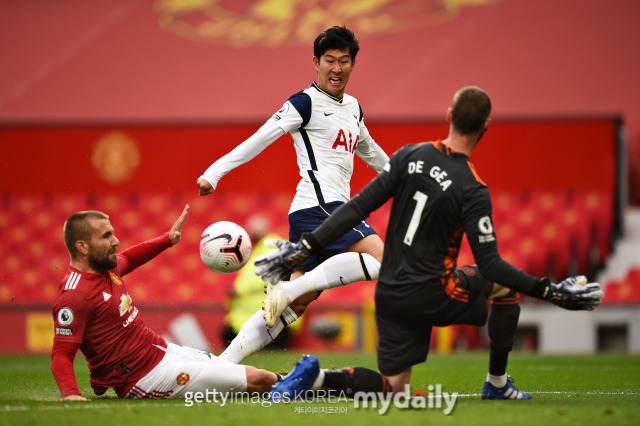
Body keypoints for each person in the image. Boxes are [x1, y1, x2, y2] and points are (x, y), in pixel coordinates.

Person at [256, 86, 604, 400]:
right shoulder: (473, 188)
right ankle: (497, 384)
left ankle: (318, 379)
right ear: (486, 127)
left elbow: (357, 207)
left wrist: (304, 248)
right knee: (503, 288)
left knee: (393, 388)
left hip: (391, 291)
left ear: (449, 117)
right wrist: (550, 291)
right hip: (434, 290)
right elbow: (491, 264)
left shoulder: (409, 156)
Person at [198, 25, 389, 363]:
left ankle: (221, 365)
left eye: (343, 61)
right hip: (320, 206)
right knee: (383, 259)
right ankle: (289, 287)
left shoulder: (354, 108)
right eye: (329, 60)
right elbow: (261, 137)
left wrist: (404, 177)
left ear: (352, 65)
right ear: (316, 62)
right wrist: (214, 172)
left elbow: (370, 151)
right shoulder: (304, 102)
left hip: (316, 213)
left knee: (292, 307)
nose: (336, 68)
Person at [50, 205, 288, 400]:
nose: (116, 240)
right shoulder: (74, 295)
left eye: (112, 233)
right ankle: (321, 386)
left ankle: (321, 380)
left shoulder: (107, 269)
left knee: (241, 372)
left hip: (163, 352)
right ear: (82, 246)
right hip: (143, 378)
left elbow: (130, 257)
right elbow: (61, 353)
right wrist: (70, 394)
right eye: (106, 236)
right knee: (259, 380)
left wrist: (167, 240)